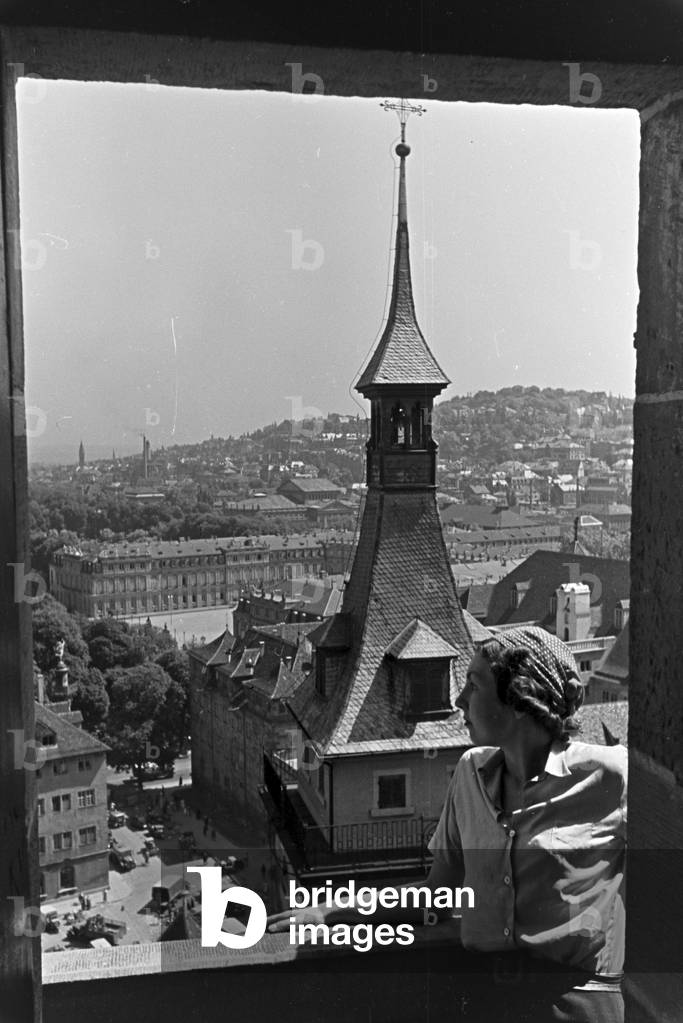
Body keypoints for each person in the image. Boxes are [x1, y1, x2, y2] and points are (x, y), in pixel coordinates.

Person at [268, 627, 626, 1023]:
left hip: (575, 1005)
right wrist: (334, 911)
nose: (459, 700)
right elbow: (437, 895)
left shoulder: (610, 775)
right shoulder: (469, 774)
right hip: (487, 1001)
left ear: (521, 699)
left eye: (473, 685)